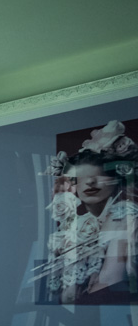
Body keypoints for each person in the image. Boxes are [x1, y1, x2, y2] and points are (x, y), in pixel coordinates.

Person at [42, 120, 138, 303]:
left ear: (116, 180)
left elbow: (111, 280)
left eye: (98, 178)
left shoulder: (123, 213)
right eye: (82, 178)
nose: (89, 184)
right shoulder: (81, 222)